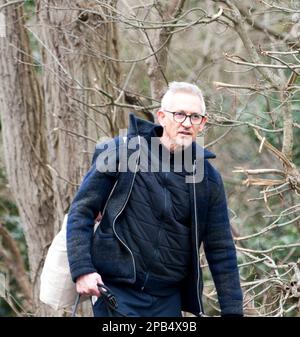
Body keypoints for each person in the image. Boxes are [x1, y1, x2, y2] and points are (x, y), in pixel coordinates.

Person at [66, 82, 243, 317]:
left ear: (203, 123)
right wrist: (82, 270)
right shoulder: (122, 152)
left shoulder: (207, 179)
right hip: (117, 292)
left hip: (168, 300)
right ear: (161, 116)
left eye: (195, 117)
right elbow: (82, 210)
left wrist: (233, 312)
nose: (187, 123)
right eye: (179, 114)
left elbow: (221, 249)